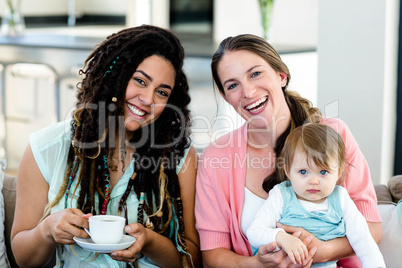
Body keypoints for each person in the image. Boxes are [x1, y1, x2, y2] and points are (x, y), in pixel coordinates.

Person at [11, 25, 200, 267]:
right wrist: (47, 230)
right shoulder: (47, 147)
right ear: (114, 75)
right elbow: (23, 259)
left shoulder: (179, 154)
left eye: (162, 92)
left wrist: (151, 242)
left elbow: (193, 260)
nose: (148, 99)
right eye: (140, 81)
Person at [195, 33, 382, 268]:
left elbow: (371, 228)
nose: (249, 92)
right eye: (233, 85)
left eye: (255, 74)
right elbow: (213, 256)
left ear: (281, 76)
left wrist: (321, 252)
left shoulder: (335, 134)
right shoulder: (216, 158)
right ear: (226, 97)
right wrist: (259, 264)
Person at [247, 123, 385, 267]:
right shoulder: (281, 196)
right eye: (303, 172)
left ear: (338, 172)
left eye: (323, 172)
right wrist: (282, 238)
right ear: (288, 171)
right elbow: (254, 232)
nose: (313, 181)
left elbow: (363, 240)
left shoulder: (340, 199)